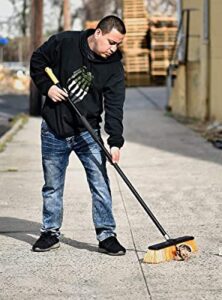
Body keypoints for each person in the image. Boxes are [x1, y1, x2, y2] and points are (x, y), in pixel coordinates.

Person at [30, 15, 126, 255]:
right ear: (98, 34)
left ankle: (106, 235)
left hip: (88, 132)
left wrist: (115, 142)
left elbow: (115, 104)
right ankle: (50, 233)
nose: (114, 49)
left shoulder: (114, 66)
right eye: (111, 42)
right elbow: (38, 60)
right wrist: (48, 87)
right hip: (55, 128)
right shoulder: (65, 43)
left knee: (100, 183)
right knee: (52, 186)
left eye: (118, 45)